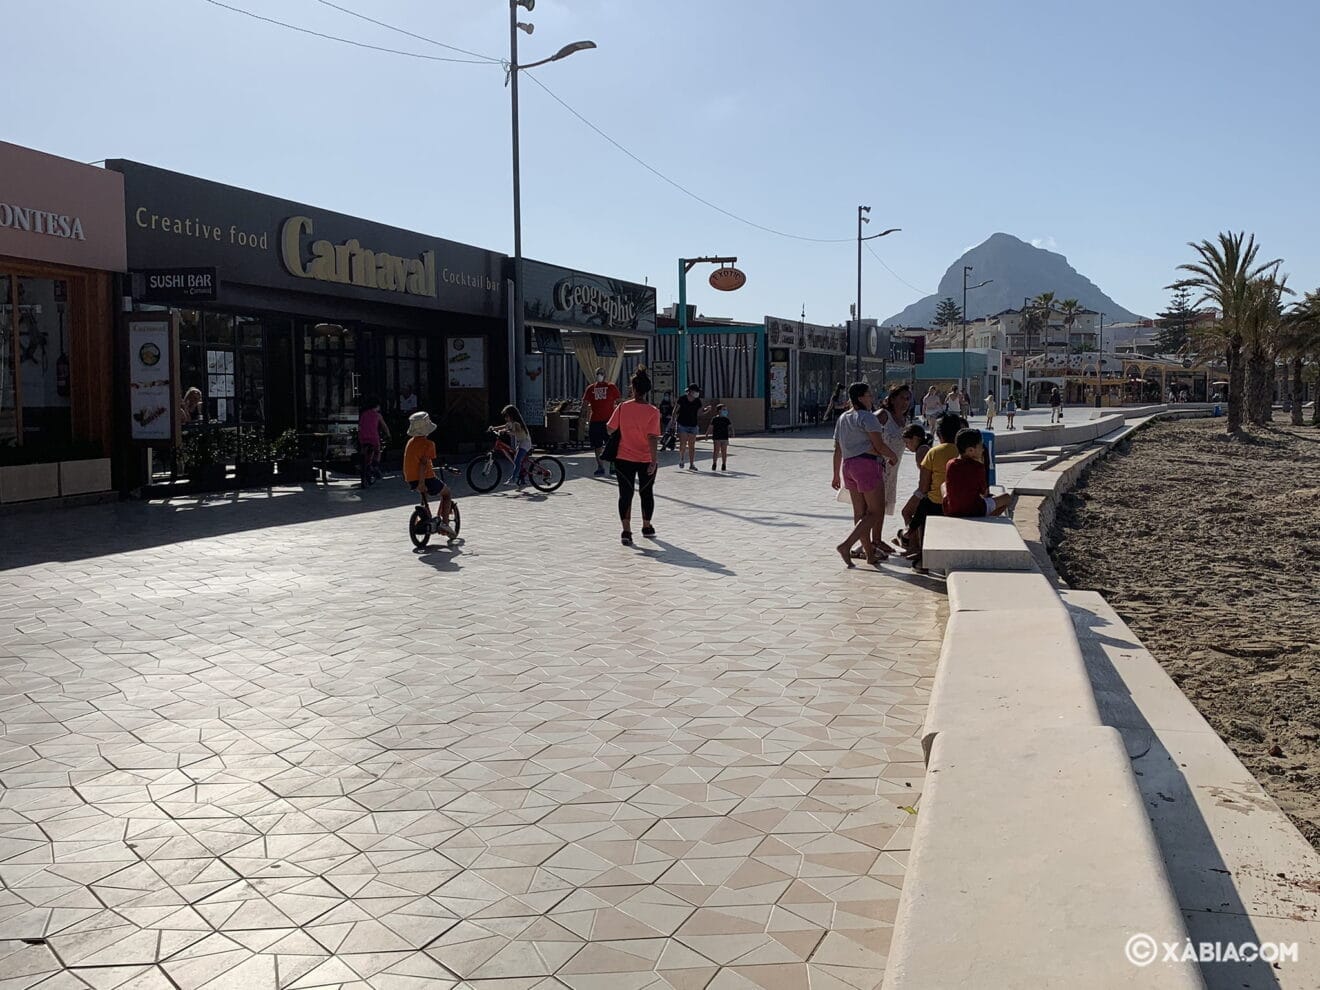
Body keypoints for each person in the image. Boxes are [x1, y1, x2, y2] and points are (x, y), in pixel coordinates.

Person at [830, 382, 900, 567]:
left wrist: (836, 475)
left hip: (849, 466)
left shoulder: (843, 417)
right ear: (861, 397)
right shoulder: (868, 418)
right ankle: (846, 545)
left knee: (859, 513)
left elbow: (837, 449)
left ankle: (869, 554)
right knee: (875, 512)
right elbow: (879, 445)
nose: (872, 398)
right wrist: (892, 456)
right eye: (869, 395)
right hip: (867, 465)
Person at [606, 369, 661, 546]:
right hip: (645, 458)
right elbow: (653, 437)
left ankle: (626, 531)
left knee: (625, 494)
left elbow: (610, 429)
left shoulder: (622, 407)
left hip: (623, 458)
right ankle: (646, 526)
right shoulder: (653, 411)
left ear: (633, 388)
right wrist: (653, 460)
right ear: (648, 390)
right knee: (646, 492)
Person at [907, 414, 963, 571]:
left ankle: (922, 558)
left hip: (938, 503)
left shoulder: (933, 453)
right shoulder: (964, 451)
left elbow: (924, 487)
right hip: (962, 503)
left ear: (939, 434)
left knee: (922, 510)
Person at [403, 411, 454, 537]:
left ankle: (426, 517)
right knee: (447, 493)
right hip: (425, 478)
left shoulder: (410, 443)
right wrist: (421, 482)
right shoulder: (428, 444)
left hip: (410, 478)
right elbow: (423, 464)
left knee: (424, 494)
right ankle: (445, 524)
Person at [944, 428, 1013, 518]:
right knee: (1007, 498)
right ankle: (988, 518)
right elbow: (984, 493)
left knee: (943, 485)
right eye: (981, 446)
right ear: (970, 450)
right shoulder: (978, 467)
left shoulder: (950, 464)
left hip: (952, 510)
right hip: (975, 510)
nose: (983, 449)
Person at [893, 423, 933, 555]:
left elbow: (926, 475)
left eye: (907, 442)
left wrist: (922, 493)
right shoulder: (926, 448)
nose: (906, 446)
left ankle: (914, 546)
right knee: (917, 516)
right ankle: (916, 545)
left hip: (925, 489)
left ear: (915, 438)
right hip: (926, 488)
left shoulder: (921, 451)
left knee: (906, 512)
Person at [582, 369, 622, 476]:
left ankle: (613, 465)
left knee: (612, 444)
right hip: (595, 421)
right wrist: (583, 419)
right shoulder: (591, 388)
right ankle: (600, 466)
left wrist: (619, 417)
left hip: (609, 421)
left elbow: (619, 403)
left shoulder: (611, 387)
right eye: (598, 373)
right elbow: (585, 404)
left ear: (605, 375)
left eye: (601, 373)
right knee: (597, 445)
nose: (600, 375)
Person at [492, 404, 534, 488]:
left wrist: (507, 432)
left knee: (517, 461)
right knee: (517, 460)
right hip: (521, 443)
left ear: (511, 415)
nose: (506, 418)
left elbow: (517, 432)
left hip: (525, 443)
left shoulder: (517, 423)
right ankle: (522, 480)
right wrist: (493, 428)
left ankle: (513, 479)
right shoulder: (511, 423)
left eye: (507, 416)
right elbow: (503, 426)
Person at [674, 383, 709, 471]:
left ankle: (691, 464)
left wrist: (706, 410)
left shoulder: (697, 401)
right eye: (696, 391)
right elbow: (675, 410)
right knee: (683, 443)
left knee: (692, 445)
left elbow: (700, 413)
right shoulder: (682, 399)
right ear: (690, 391)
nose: (697, 393)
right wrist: (672, 421)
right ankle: (682, 458)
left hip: (693, 424)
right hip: (682, 424)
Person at [358, 396, 391, 487]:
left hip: (363, 437)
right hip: (373, 437)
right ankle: (375, 465)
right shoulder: (378, 415)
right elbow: (384, 427)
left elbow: (360, 426)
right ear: (377, 406)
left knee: (363, 451)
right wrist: (388, 435)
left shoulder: (364, 414)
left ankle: (365, 466)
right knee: (377, 450)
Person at [709, 404, 733, 470]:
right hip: (717, 437)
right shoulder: (715, 419)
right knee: (716, 451)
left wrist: (732, 433)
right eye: (724, 409)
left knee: (724, 451)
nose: (726, 411)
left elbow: (730, 427)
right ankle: (714, 463)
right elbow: (711, 427)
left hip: (724, 437)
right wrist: (707, 434)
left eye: (726, 410)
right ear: (719, 411)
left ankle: (724, 464)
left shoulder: (726, 419)